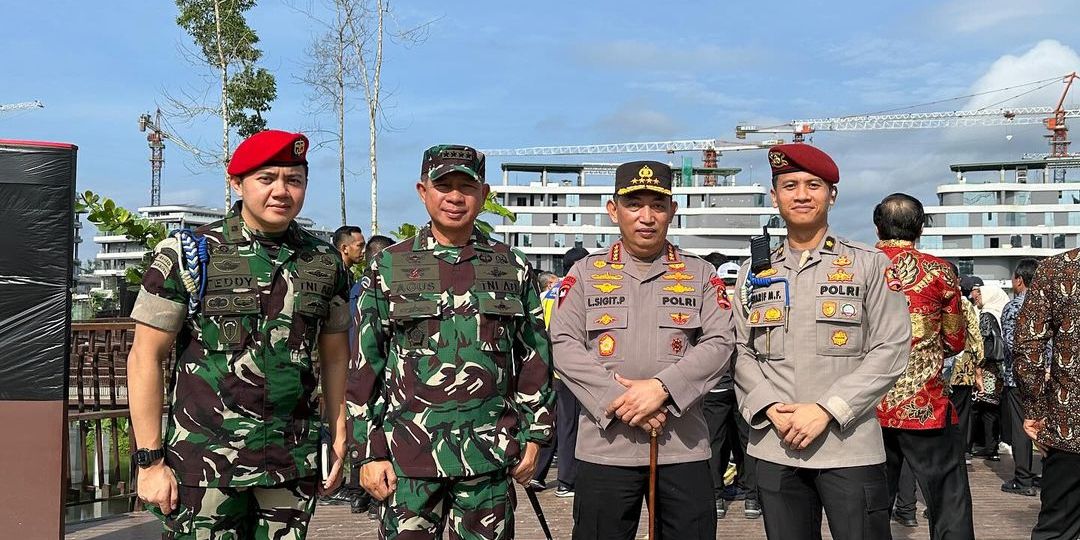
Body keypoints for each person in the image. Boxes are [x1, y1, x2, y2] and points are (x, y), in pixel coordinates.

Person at [128, 130, 352, 539]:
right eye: (267, 179)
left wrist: (338, 432)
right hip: (204, 463)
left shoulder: (323, 263)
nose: (281, 191)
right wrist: (150, 462)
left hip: (290, 459)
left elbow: (336, 355)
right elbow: (146, 356)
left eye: (294, 180)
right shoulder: (190, 253)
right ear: (237, 182)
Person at [346, 144, 554, 539]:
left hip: (488, 459)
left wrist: (536, 437)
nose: (455, 197)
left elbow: (534, 358)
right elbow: (364, 365)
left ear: (484, 195)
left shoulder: (512, 266)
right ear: (423, 191)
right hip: (407, 461)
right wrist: (368, 451)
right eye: (443, 186)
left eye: (466, 186)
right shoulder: (389, 266)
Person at [734, 144, 911, 540]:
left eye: (814, 185)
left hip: (848, 444)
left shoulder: (869, 263)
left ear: (832, 194)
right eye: (790, 185)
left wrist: (827, 410)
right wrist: (768, 407)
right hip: (775, 443)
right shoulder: (754, 271)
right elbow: (740, 348)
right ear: (774, 194)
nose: (801, 194)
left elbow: (892, 348)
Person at [550, 160, 735, 540]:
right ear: (613, 209)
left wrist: (662, 390)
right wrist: (622, 399)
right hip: (606, 446)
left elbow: (721, 342)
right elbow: (563, 345)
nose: (646, 217)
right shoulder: (584, 273)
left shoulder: (700, 274)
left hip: (681, 445)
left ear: (673, 211)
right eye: (634, 204)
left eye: (658, 205)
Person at [872, 193, 974, 540]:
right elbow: (956, 339)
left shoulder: (860, 266)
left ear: (877, 225)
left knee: (868, 507)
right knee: (949, 501)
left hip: (865, 405)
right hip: (925, 404)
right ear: (920, 228)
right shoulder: (940, 271)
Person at [1014, 251, 1080, 540]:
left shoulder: (1057, 268)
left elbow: (1028, 346)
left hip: (1071, 427)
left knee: (1057, 531)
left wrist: (1035, 410)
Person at [532, 246, 590, 497]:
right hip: (572, 370)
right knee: (570, 424)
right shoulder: (580, 290)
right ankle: (567, 481)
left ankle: (537, 474)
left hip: (547, 368)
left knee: (551, 420)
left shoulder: (546, 294)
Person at [706, 259, 761, 520]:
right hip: (743, 383)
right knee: (747, 441)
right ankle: (751, 498)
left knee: (714, 443)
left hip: (715, 385)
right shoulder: (747, 298)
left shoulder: (712, 299)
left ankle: (716, 496)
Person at [345, 233, 394, 518]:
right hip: (374, 372)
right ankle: (373, 498)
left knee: (362, 432)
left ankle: (358, 495)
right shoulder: (372, 286)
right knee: (371, 431)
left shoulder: (356, 287)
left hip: (357, 369)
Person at [999, 258, 1039, 496]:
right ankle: (1047, 474)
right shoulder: (1048, 305)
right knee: (1042, 425)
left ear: (1019, 280)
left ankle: (1023, 479)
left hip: (1018, 377)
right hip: (1046, 376)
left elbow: (1013, 344)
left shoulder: (1014, 308)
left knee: (1021, 427)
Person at [971, 284, 1008, 461]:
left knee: (980, 408)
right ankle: (992, 447)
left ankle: (978, 447)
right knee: (992, 408)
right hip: (999, 369)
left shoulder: (986, 315)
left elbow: (983, 342)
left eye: (978, 295)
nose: (975, 297)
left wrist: (977, 368)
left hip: (986, 368)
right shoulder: (1002, 312)